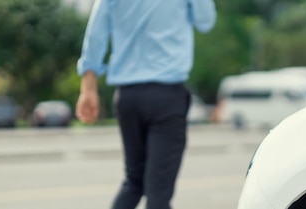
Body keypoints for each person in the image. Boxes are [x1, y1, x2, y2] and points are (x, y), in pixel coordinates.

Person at [75, 0, 216, 208]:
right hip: (167, 96)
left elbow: (96, 34)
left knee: (134, 182)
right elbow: (206, 21)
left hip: (128, 97)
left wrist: (88, 88)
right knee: (158, 193)